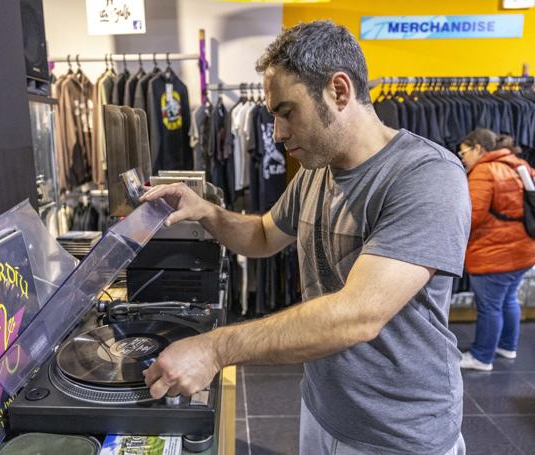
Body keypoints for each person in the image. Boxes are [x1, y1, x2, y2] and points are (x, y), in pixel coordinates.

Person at [141, 21, 470, 455]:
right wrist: (206, 212)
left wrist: (216, 348)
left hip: (399, 433)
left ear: (339, 91)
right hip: (322, 408)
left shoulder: (426, 177)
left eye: (286, 112)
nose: (277, 134)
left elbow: (357, 315)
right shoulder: (316, 172)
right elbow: (262, 235)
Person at [458, 128, 535, 372]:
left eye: (463, 152)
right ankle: (507, 346)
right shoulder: (518, 164)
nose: (462, 157)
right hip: (524, 249)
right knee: (508, 299)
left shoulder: (484, 171)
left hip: (494, 253)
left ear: (478, 148)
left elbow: (473, 216)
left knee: (489, 306)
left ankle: (482, 356)